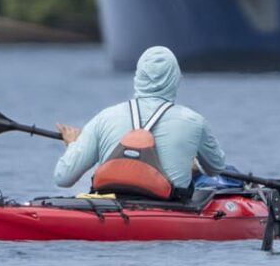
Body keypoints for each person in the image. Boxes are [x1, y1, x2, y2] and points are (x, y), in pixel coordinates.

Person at [54, 46, 229, 201]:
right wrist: (195, 165)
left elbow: (63, 177)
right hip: (171, 208)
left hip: (110, 204)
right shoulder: (195, 121)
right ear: (176, 79)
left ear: (137, 77)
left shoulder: (105, 117)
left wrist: (73, 146)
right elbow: (216, 167)